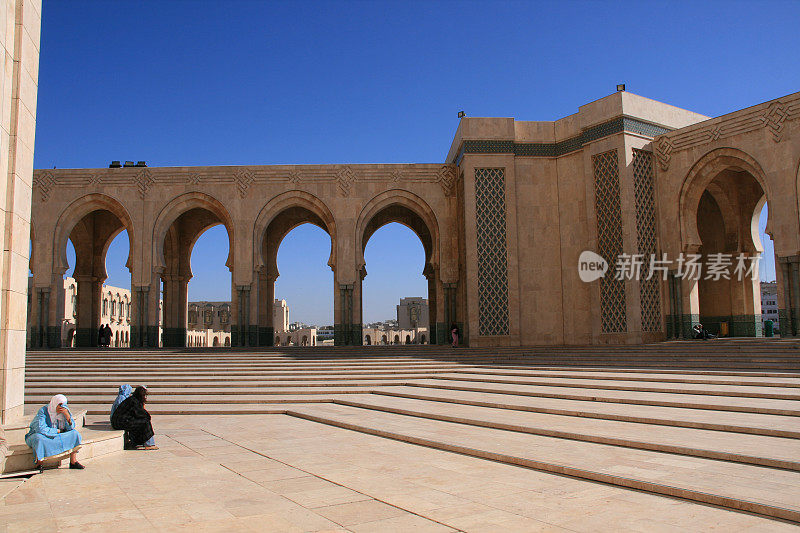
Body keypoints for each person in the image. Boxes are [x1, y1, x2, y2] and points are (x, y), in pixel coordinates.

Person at [25, 394, 84, 469]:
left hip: (56, 435)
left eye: (63, 405)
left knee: (74, 434)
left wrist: (67, 416)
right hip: (42, 435)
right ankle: (39, 463)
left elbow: (70, 428)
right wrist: (58, 431)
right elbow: (41, 429)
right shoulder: (43, 411)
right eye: (59, 405)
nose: (61, 407)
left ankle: (73, 461)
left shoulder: (65, 411)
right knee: (39, 438)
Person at [111, 385, 157, 450]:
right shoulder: (134, 401)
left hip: (118, 422)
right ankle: (149, 444)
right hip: (120, 423)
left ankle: (134, 443)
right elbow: (144, 415)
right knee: (145, 422)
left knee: (138, 422)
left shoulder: (132, 399)